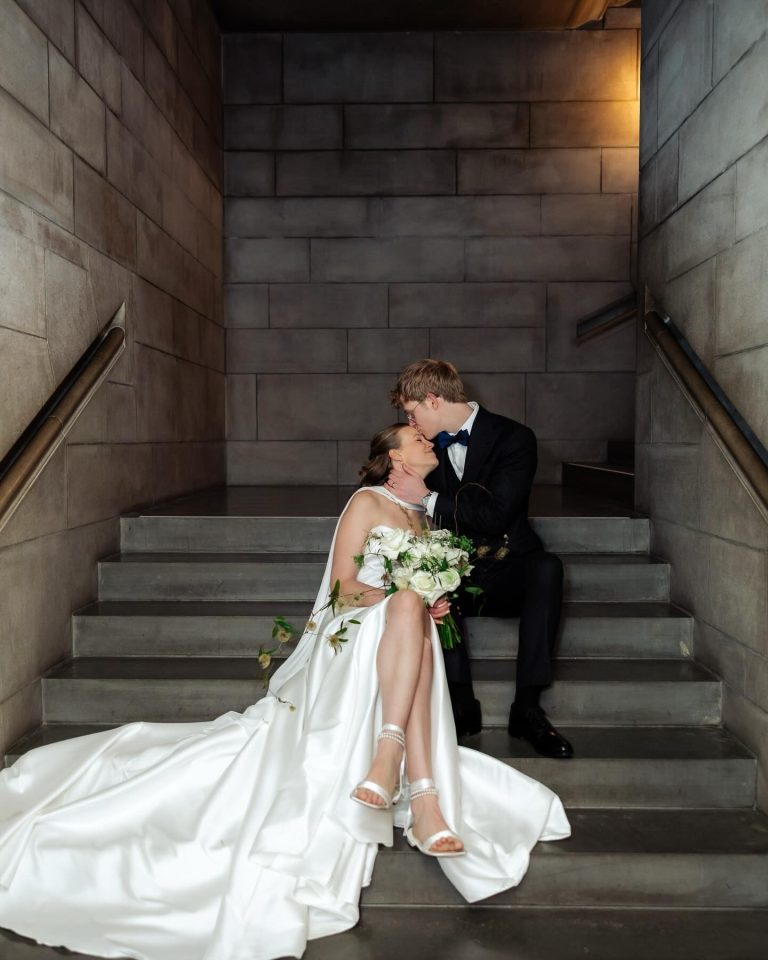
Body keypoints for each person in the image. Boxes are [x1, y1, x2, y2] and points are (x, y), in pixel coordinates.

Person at [0, 424, 569, 960]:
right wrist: (408, 594)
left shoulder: (425, 520)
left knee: (413, 617)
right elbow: (344, 590)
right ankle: (420, 792)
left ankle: (393, 760)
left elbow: (417, 595)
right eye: (417, 438)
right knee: (405, 610)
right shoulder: (366, 503)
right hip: (349, 641)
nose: (429, 442)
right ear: (395, 456)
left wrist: (431, 599)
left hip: (398, 639)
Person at [388, 360, 574, 759]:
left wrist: (428, 497)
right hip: (458, 574)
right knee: (431, 576)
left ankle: (526, 707)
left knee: (547, 568)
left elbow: (495, 515)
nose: (411, 422)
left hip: (508, 568)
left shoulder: (515, 438)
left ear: (433, 400)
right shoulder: (422, 447)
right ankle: (460, 705)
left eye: (412, 411)